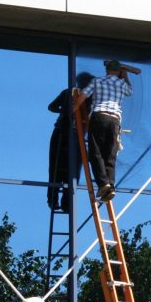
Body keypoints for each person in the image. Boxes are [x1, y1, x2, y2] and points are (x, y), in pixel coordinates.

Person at [72, 60, 140, 202]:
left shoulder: (98, 81)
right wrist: (125, 75)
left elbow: (83, 95)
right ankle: (111, 186)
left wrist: (74, 110)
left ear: (107, 70)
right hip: (114, 121)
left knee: (95, 151)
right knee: (110, 154)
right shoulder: (122, 84)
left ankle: (103, 184)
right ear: (118, 71)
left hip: (99, 116)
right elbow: (130, 91)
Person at [46, 72, 93, 212]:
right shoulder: (89, 96)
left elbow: (52, 107)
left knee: (55, 167)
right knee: (72, 170)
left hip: (62, 131)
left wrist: (64, 111)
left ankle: (54, 200)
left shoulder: (68, 92)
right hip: (73, 134)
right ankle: (66, 203)